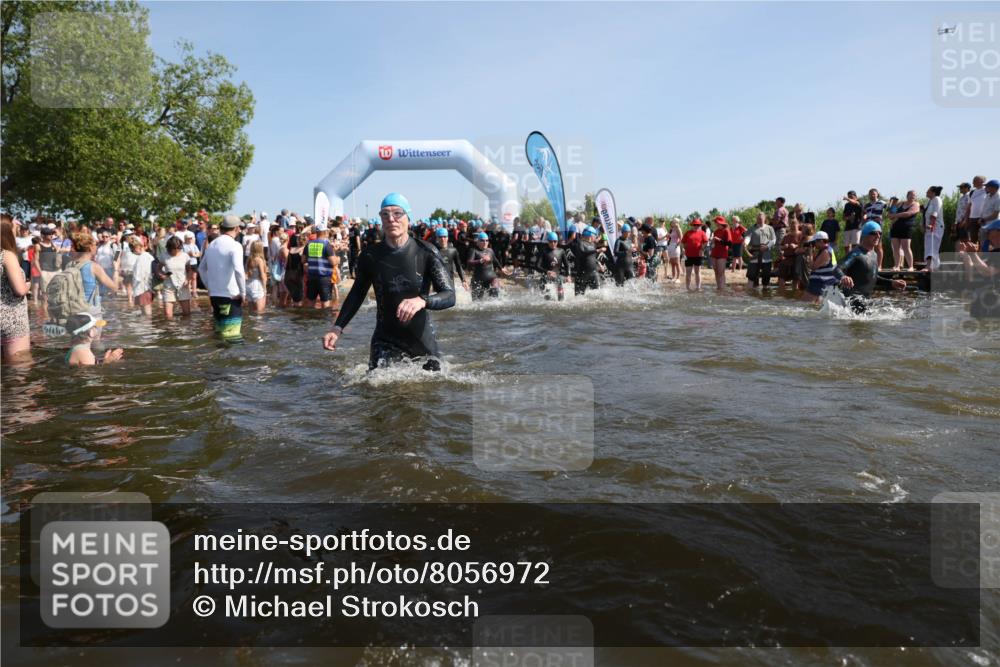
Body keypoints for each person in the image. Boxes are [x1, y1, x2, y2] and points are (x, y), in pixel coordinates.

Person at [322, 193, 455, 371]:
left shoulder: (426, 252)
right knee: (377, 391)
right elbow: (356, 294)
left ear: (408, 218)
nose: (391, 219)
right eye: (385, 214)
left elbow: (450, 295)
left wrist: (422, 300)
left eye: (397, 213)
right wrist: (337, 327)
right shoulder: (370, 256)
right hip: (385, 340)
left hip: (421, 339)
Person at [198, 214, 247, 343]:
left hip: (215, 296)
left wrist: (209, 286)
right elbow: (239, 270)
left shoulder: (212, 244)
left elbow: (201, 269)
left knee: (220, 333)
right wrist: (243, 293)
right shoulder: (235, 245)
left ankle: (219, 360)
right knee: (233, 336)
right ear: (236, 228)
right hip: (231, 296)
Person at [837, 222, 907, 311]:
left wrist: (891, 282)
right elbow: (837, 269)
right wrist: (843, 277)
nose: (878, 236)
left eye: (880, 233)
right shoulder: (856, 254)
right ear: (865, 235)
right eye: (874, 233)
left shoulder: (874, 255)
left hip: (864, 302)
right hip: (851, 303)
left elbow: (872, 277)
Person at [1, 219, 31, 361]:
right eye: (14, 228)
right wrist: (28, 285)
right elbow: (19, 290)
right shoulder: (6, 255)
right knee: (20, 370)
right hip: (12, 320)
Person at [304, 226, 338, 309]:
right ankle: (324, 321)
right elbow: (333, 262)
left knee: (310, 304)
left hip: (311, 277)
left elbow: (303, 260)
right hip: (324, 278)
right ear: (325, 232)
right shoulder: (326, 245)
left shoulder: (309, 244)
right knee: (325, 305)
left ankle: (310, 321)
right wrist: (338, 259)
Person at [802, 231, 840, 303]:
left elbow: (813, 267)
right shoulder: (825, 250)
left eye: (815, 242)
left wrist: (810, 253)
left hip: (820, 283)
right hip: (822, 282)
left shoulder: (825, 252)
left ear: (821, 241)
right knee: (813, 307)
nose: (814, 244)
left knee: (802, 305)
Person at [467, 231, 507, 299]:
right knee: (476, 302)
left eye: (486, 240)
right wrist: (480, 261)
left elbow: (495, 260)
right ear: (478, 242)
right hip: (478, 279)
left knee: (494, 293)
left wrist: (501, 268)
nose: (485, 242)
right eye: (482, 240)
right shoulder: (474, 250)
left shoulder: (490, 250)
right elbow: (469, 262)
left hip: (491, 277)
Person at [159, 236, 192, 319]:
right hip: (168, 286)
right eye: (175, 248)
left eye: (178, 248)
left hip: (182, 286)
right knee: (168, 314)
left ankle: (185, 330)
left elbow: (189, 270)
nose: (177, 250)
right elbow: (158, 269)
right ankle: (170, 330)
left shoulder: (185, 256)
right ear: (169, 248)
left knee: (187, 313)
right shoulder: (164, 256)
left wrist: (188, 279)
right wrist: (161, 275)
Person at [887, 190, 919, 270]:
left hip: (907, 228)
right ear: (907, 195)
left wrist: (895, 215)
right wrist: (891, 205)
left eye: (914, 195)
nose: (912, 197)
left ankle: (911, 266)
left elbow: (908, 214)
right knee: (895, 248)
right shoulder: (900, 203)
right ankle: (897, 266)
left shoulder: (916, 204)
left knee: (906, 248)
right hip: (895, 228)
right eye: (911, 195)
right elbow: (890, 214)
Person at [745, 212, 776, 288]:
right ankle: (752, 293)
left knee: (766, 276)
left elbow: (773, 240)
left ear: (764, 219)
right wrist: (745, 243)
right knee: (752, 276)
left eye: (761, 218)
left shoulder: (770, 228)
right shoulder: (752, 228)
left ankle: (765, 295)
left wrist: (767, 246)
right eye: (758, 218)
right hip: (754, 255)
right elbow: (748, 237)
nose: (760, 220)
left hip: (766, 256)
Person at [536, 231, 569, 300]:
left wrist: (568, 275)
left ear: (557, 242)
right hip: (546, 277)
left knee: (561, 298)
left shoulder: (561, 251)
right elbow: (537, 266)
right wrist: (547, 272)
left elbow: (567, 265)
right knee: (547, 299)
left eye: (555, 241)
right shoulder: (543, 251)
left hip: (557, 277)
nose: (553, 243)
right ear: (548, 241)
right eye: (551, 241)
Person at [569, 226, 602, 295]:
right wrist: (597, 250)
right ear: (590, 235)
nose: (595, 237)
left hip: (593, 273)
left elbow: (592, 257)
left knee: (598, 295)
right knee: (579, 297)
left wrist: (599, 264)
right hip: (582, 274)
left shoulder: (593, 244)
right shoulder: (580, 243)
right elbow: (582, 252)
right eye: (595, 235)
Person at [129, 237, 155, 317]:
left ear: (137, 247)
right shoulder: (147, 256)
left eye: (132, 250)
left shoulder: (143, 257)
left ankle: (147, 328)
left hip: (143, 288)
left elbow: (139, 276)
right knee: (145, 311)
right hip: (146, 287)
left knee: (146, 312)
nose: (132, 252)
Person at [681, 219, 709, 291]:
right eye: (694, 225)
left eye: (697, 225)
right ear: (692, 225)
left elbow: (706, 242)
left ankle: (698, 287)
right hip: (688, 255)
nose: (696, 226)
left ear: (700, 226)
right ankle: (687, 287)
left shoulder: (702, 233)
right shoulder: (687, 233)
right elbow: (683, 242)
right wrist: (684, 248)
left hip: (698, 255)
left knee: (697, 272)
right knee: (688, 272)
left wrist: (702, 249)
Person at [922, 186, 945, 271]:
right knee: (929, 246)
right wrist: (923, 225)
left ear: (933, 192)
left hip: (936, 226)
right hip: (928, 227)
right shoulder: (929, 201)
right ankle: (934, 266)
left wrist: (932, 224)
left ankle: (929, 267)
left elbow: (935, 212)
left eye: (928, 191)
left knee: (932, 246)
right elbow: (923, 212)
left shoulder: (937, 199)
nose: (926, 192)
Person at [245, 240, 268, 313]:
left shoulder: (249, 259)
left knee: (251, 312)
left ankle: (251, 325)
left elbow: (246, 274)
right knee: (259, 312)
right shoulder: (259, 260)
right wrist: (265, 289)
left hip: (248, 285)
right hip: (257, 285)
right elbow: (262, 276)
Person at [709, 216, 731, 290]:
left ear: (721, 223)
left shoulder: (726, 231)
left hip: (722, 253)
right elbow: (713, 244)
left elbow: (729, 243)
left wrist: (719, 240)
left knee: (721, 272)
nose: (716, 224)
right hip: (714, 252)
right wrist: (712, 241)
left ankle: (721, 289)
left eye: (717, 222)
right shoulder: (715, 231)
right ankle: (719, 287)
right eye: (715, 222)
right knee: (716, 271)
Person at [283, 235, 305, 307]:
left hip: (288, 275)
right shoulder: (303, 250)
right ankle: (297, 314)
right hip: (297, 275)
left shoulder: (291, 249)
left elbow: (286, 263)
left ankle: (294, 313)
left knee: (294, 297)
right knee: (299, 297)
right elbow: (303, 261)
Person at [967, 175, 987, 244]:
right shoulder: (972, 192)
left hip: (983, 218)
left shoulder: (987, 190)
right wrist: (967, 218)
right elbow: (969, 206)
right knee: (973, 238)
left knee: (984, 238)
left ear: (982, 182)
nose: (973, 182)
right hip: (972, 218)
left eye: (975, 180)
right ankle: (974, 254)